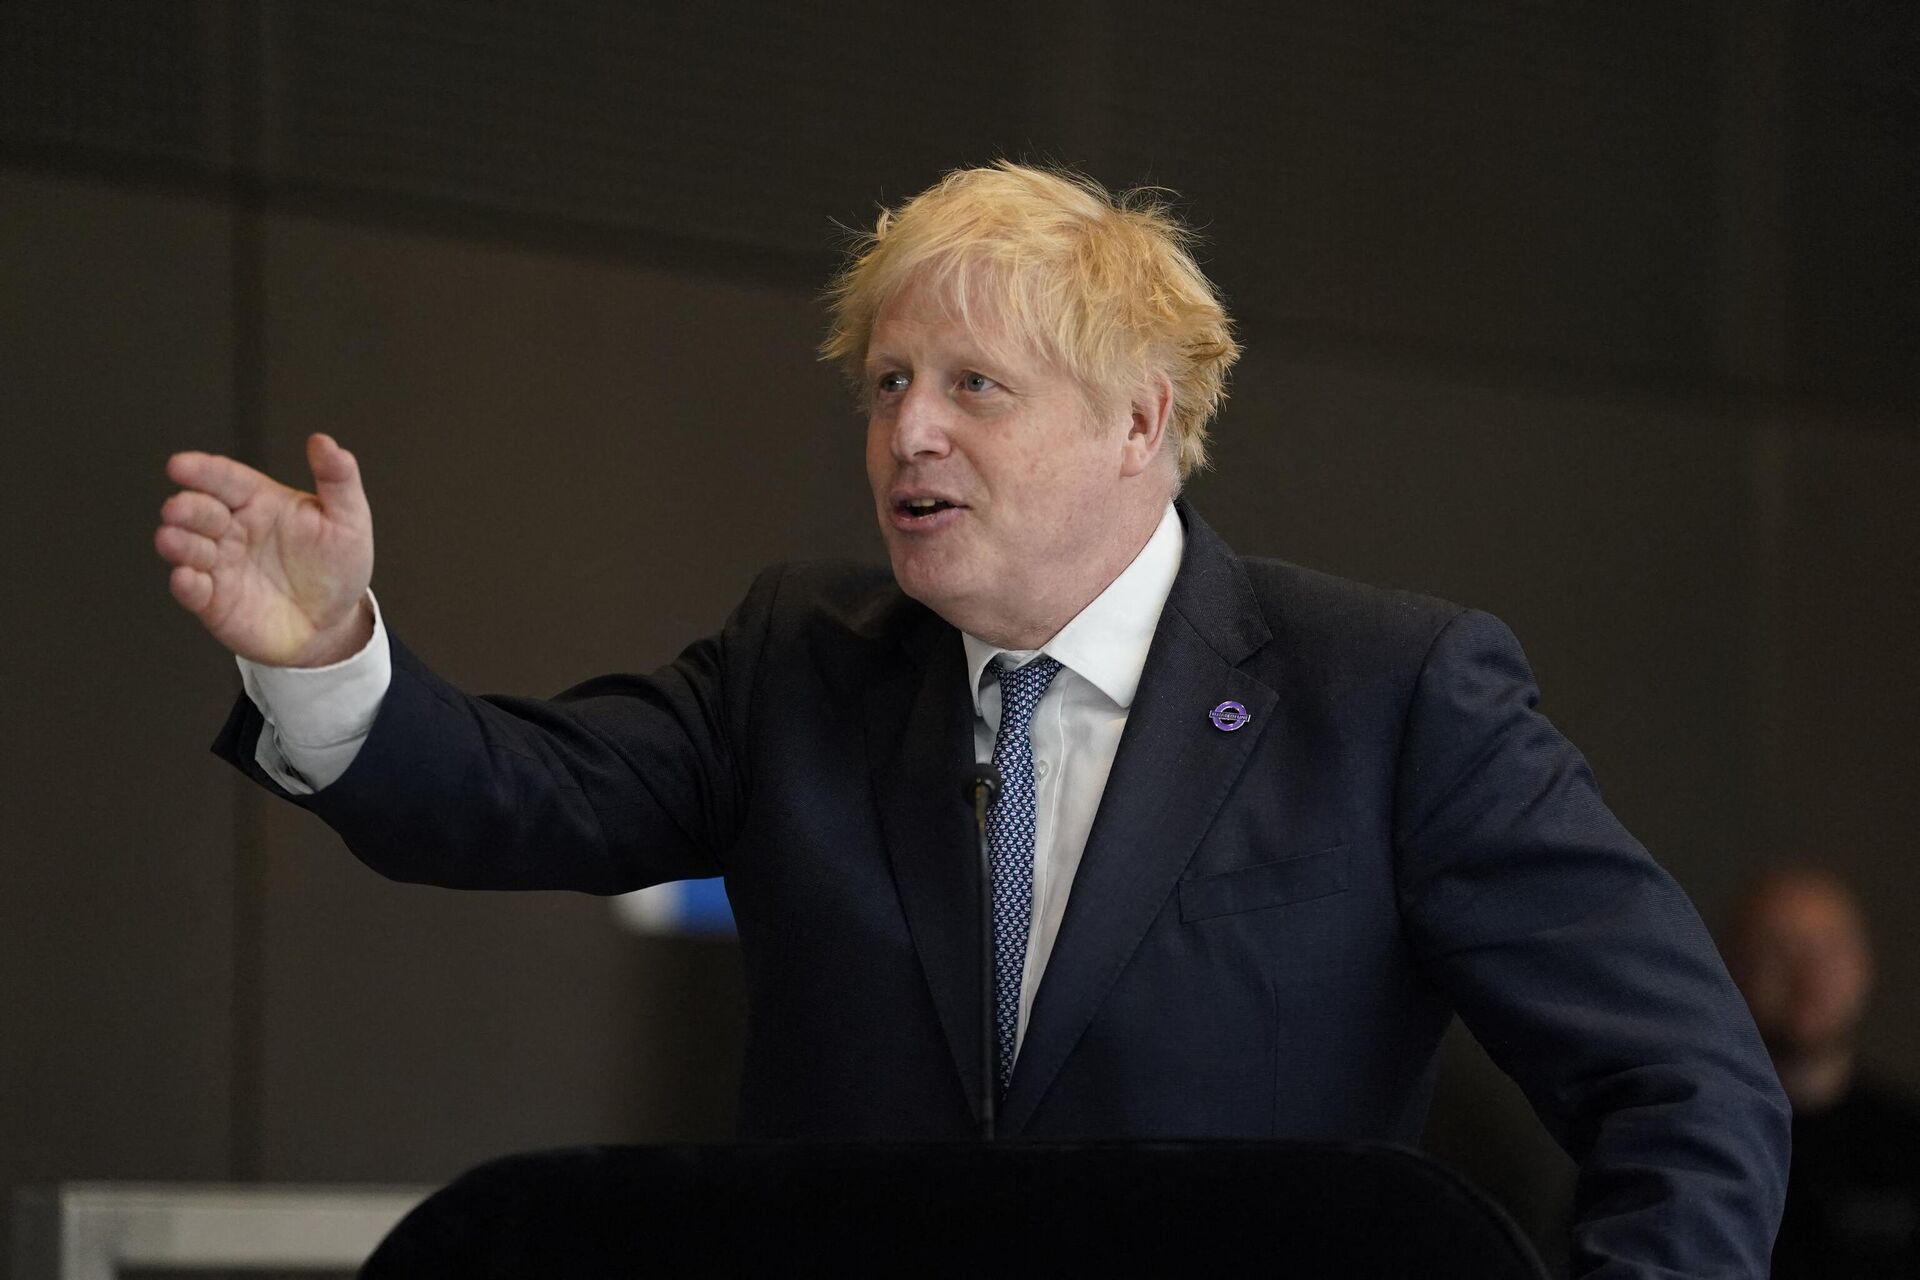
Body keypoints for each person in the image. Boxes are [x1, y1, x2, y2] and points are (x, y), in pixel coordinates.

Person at [155, 162, 1788, 1274]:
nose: (905, 433)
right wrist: (327, 652)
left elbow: (1690, 1084)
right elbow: (509, 793)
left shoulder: (1389, 695)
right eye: (884, 384)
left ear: (1142, 419)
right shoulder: (804, 662)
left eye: (971, 387)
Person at [1728, 866, 1920, 1276]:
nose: (1807, 974)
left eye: (1827, 949)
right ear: (1734, 968)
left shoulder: (1908, 1141)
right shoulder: (1696, 1138)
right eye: (1779, 950)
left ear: (1863, 965)